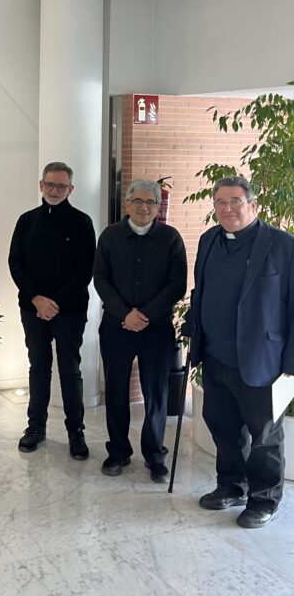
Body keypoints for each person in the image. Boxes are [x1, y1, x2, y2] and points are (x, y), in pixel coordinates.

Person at [188, 175, 294, 528]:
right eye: (220, 202)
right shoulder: (208, 240)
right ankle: (232, 486)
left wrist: (290, 364)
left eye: (235, 201)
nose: (228, 209)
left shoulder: (283, 245)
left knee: (264, 437)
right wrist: (193, 328)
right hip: (215, 356)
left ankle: (265, 499)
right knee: (223, 427)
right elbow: (201, 291)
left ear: (253, 205)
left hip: (263, 362)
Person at [94, 179, 187, 481]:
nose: (144, 207)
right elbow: (100, 279)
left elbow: (177, 284)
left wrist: (144, 315)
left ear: (158, 207)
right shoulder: (110, 236)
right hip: (116, 327)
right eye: (138, 201)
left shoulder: (171, 239)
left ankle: (154, 454)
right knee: (116, 391)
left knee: (156, 393)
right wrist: (125, 314)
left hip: (156, 329)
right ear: (127, 204)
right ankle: (118, 452)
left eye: (150, 202)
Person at [8, 161, 96, 458]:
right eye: (50, 184)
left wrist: (54, 303)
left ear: (71, 189)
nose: (54, 191)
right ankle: (35, 427)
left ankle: (76, 431)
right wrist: (37, 299)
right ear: (41, 185)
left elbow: (85, 269)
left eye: (61, 186)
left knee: (70, 369)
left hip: (69, 310)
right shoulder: (26, 221)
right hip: (33, 309)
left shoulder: (82, 223)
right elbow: (15, 263)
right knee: (38, 367)